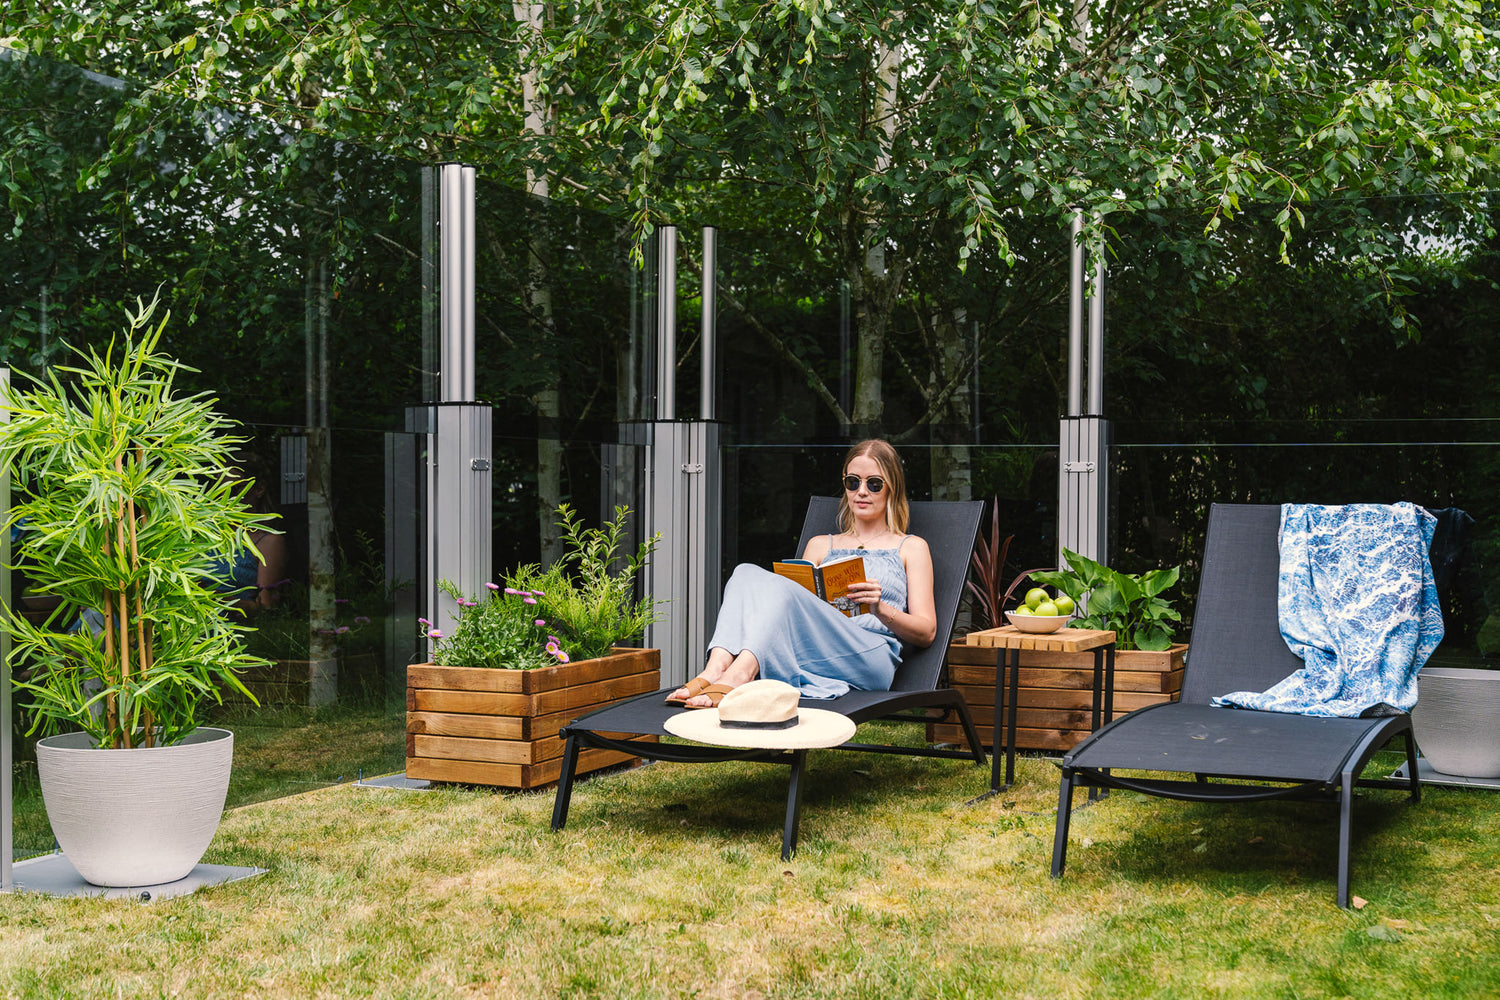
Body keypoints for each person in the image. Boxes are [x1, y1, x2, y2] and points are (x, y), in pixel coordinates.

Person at [666, 439, 936, 707]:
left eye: (874, 484)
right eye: (853, 482)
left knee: (783, 588)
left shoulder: (910, 547)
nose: (861, 491)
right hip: (817, 648)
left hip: (871, 655)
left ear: (892, 488)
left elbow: (927, 632)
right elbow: (792, 612)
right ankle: (716, 667)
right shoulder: (820, 545)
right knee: (743, 572)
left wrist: (879, 609)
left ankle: (741, 673)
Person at [209, 452, 288, 615]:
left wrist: (211, 599)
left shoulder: (268, 542)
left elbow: (265, 607)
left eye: (233, 490)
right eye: (218, 491)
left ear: (259, 489)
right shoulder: (204, 534)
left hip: (231, 633)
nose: (225, 498)